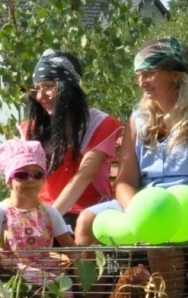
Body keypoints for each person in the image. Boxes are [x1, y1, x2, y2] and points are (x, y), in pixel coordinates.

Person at [76, 38, 188, 244]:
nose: (141, 82)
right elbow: (124, 182)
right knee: (86, 221)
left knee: (161, 224)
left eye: (149, 74)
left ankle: (164, 278)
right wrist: (138, 211)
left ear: (175, 74)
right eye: (139, 75)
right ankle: (97, 278)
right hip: (148, 203)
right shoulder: (137, 120)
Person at [21, 49, 122, 223]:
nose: (40, 96)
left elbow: (84, 176)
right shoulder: (31, 129)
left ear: (68, 88)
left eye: (48, 87)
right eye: (37, 88)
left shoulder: (99, 124)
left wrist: (49, 221)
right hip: (43, 208)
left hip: (89, 211)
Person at [0, 139, 74, 285]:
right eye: (21, 175)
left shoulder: (51, 213)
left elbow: (70, 247)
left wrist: (76, 257)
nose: (30, 180)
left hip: (47, 278)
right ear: (8, 181)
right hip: (8, 278)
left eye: (38, 175)